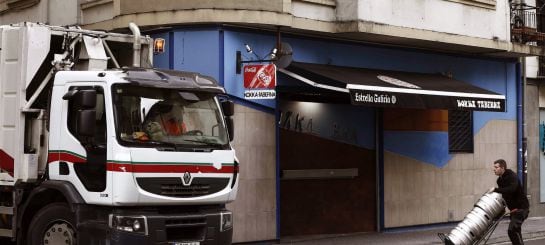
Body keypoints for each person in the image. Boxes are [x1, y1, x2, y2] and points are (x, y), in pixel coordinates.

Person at [489, 159, 529, 245]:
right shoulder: (499, 180)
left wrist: (496, 190)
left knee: (512, 230)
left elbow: (511, 189)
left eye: (496, 167)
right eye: (494, 167)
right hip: (513, 210)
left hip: (521, 208)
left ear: (502, 168)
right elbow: (505, 194)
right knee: (516, 232)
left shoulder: (512, 176)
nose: (494, 169)